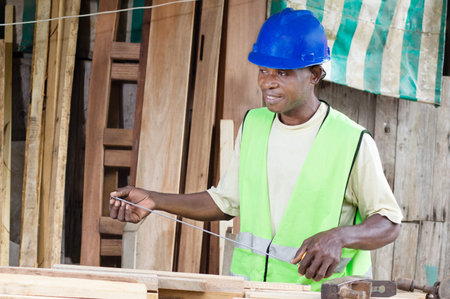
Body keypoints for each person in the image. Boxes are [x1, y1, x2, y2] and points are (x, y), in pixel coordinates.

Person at [110, 8, 402, 290]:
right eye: (263, 70)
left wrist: (340, 237)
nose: (267, 83)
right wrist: (153, 200)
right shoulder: (254, 125)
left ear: (314, 74)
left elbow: (389, 223)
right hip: (254, 292)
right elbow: (226, 202)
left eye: (283, 73)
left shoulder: (351, 141)